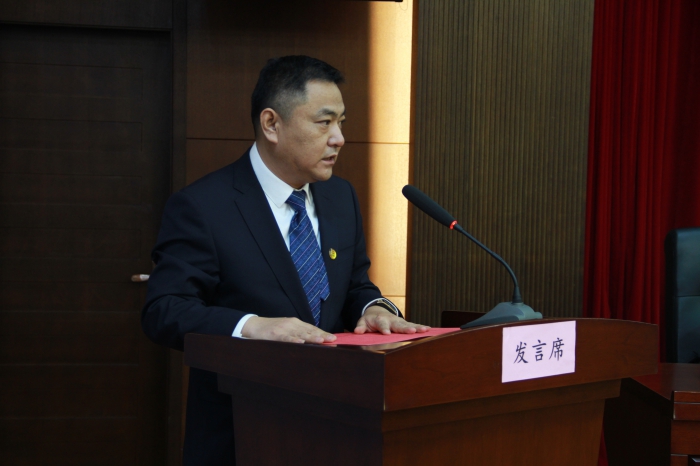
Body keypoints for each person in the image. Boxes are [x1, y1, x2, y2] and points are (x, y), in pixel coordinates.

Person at [141, 55, 429, 465]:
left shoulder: (340, 197)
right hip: (243, 434)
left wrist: (374, 308)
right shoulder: (204, 206)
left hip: (337, 429)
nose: (339, 138)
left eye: (341, 122)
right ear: (271, 124)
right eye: (324, 122)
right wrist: (251, 326)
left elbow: (355, 285)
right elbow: (164, 310)